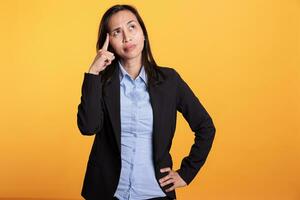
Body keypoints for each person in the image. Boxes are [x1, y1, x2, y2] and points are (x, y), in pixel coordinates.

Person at [77, 4, 216, 200]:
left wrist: (186, 173)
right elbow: (88, 127)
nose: (127, 37)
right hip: (108, 193)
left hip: (155, 192)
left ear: (143, 33)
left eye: (132, 27)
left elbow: (205, 126)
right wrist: (93, 73)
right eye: (117, 32)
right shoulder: (101, 83)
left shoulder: (169, 80)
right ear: (108, 42)